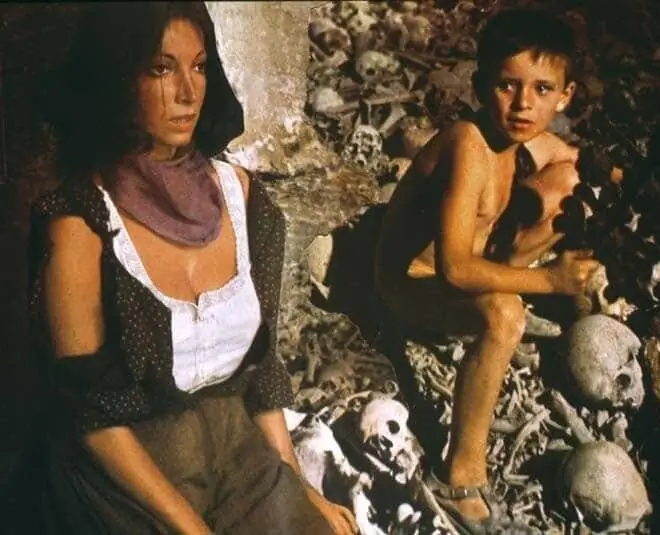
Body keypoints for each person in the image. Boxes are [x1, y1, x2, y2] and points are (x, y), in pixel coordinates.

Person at [29, 3, 357, 534]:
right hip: (129, 474)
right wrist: (191, 527)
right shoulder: (79, 222)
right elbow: (89, 417)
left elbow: (260, 371)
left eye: (200, 66)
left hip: (235, 453)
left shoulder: (243, 198)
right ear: (119, 79)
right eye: (161, 69)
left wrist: (298, 486)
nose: (188, 92)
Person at [374, 9, 601, 534]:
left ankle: (531, 290)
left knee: (570, 186)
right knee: (504, 314)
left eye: (542, 89)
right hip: (414, 286)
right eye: (507, 85)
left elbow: (577, 160)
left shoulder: (521, 138)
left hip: (471, 264)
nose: (523, 104)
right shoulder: (469, 145)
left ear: (564, 97)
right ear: (481, 87)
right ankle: (460, 473)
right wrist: (549, 280)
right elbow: (454, 268)